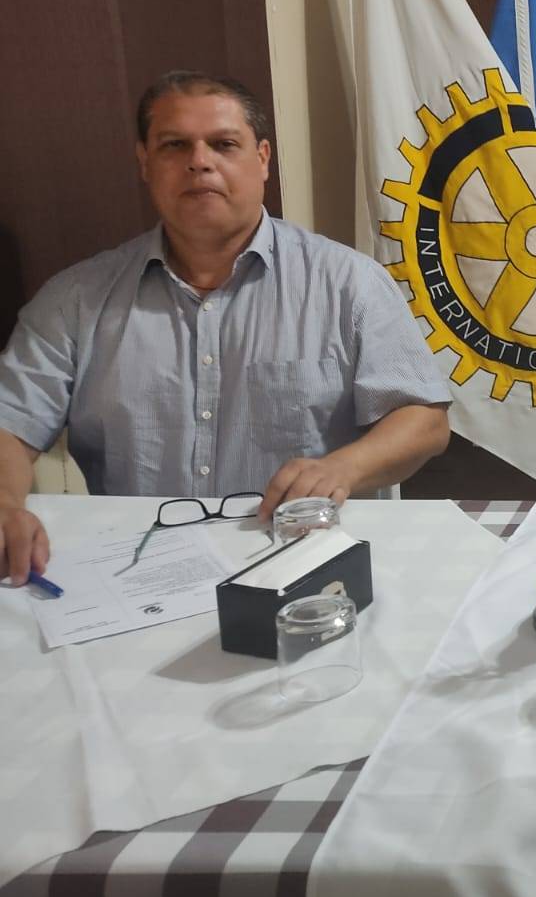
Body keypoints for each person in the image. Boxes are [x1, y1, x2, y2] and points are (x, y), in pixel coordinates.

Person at [0, 71, 452, 584]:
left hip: (309, 563)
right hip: (139, 571)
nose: (199, 161)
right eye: (175, 145)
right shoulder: (75, 301)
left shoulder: (349, 284)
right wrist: (5, 504)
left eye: (223, 144)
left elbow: (424, 419)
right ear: (144, 163)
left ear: (262, 159)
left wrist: (343, 467)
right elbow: (10, 422)